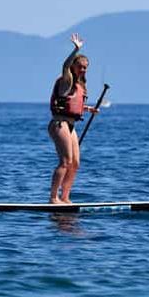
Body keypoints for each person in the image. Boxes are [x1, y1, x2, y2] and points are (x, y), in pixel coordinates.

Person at [48, 33, 99, 204]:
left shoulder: (80, 85)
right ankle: (53, 198)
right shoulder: (67, 80)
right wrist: (75, 50)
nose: (83, 70)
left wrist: (87, 108)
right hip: (59, 124)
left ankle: (65, 197)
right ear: (74, 66)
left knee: (75, 163)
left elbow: (72, 104)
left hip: (70, 125)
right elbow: (64, 65)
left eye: (85, 67)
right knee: (65, 161)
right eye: (80, 66)